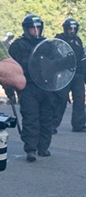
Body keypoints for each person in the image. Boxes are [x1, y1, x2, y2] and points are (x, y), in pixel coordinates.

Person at [7, 15, 61, 161]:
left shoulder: (48, 44)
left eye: (38, 27)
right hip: (28, 86)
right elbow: (9, 68)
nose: (35, 30)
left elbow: (58, 65)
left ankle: (43, 147)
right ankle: (31, 149)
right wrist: (9, 88)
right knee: (31, 117)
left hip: (46, 86)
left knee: (46, 118)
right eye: (32, 28)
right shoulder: (18, 46)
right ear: (26, 29)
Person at [52, 18, 86, 133]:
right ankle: (52, 125)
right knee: (60, 100)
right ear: (65, 29)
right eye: (69, 29)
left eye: (74, 29)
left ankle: (79, 125)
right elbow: (54, 58)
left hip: (77, 74)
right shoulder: (59, 40)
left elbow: (83, 58)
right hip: (63, 73)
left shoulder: (78, 41)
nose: (72, 31)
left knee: (79, 100)